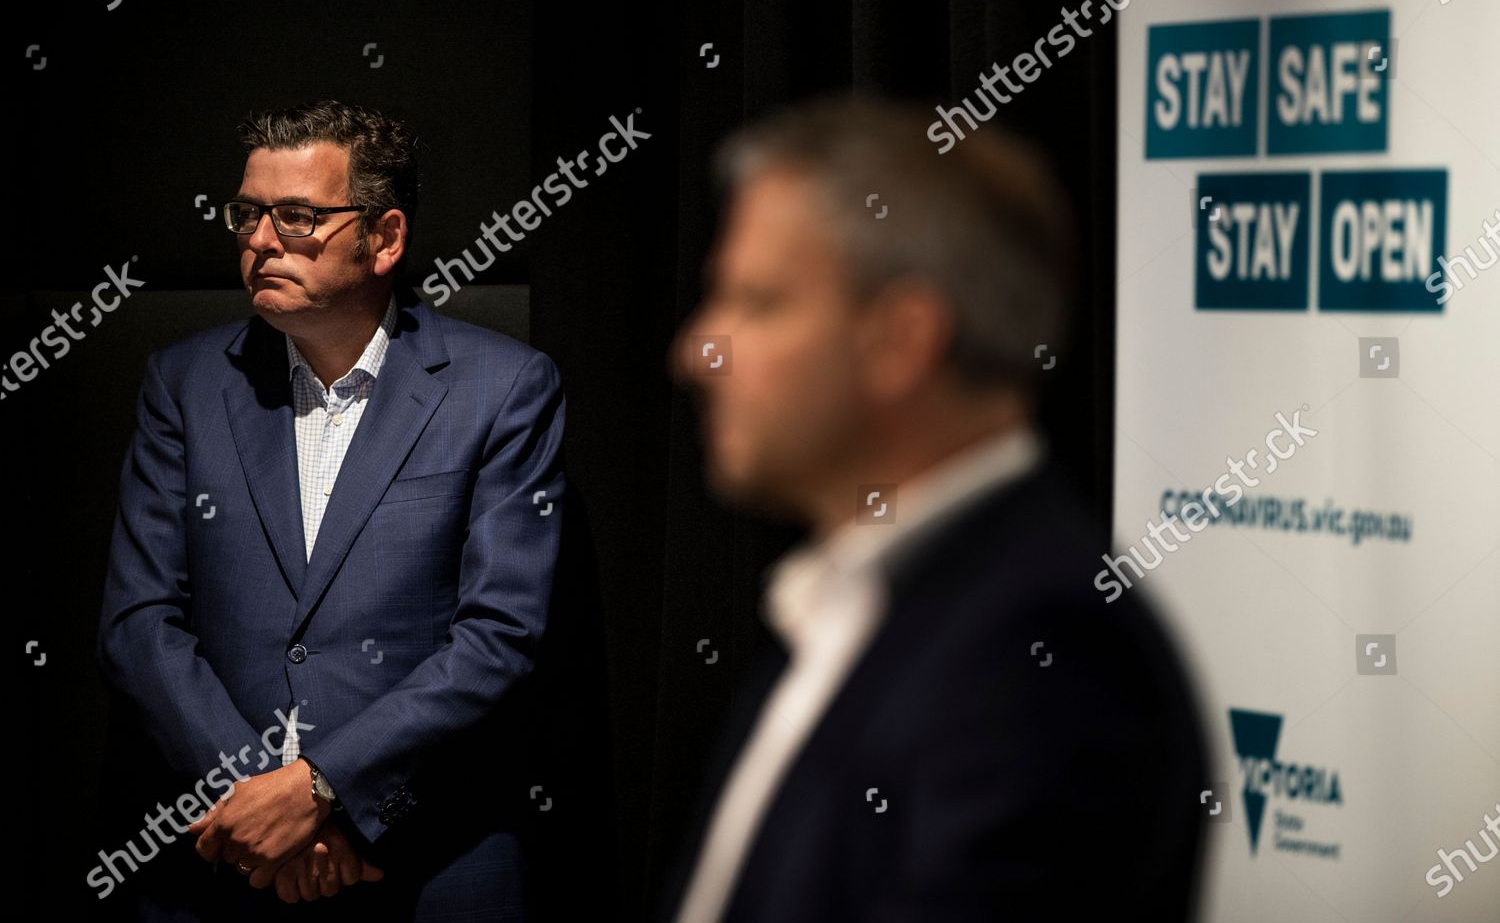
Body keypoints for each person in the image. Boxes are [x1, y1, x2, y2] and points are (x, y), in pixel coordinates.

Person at [662, 96, 1209, 921]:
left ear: (902, 340)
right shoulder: (857, 598)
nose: (697, 351)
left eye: (758, 302)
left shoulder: (1046, 656)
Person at [96, 99, 567, 920]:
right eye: (247, 214)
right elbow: (139, 622)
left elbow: (502, 636)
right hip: (219, 861)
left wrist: (327, 790)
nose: (260, 240)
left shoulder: (503, 390)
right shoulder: (183, 385)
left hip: (428, 863)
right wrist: (263, 810)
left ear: (384, 238)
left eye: (298, 216)